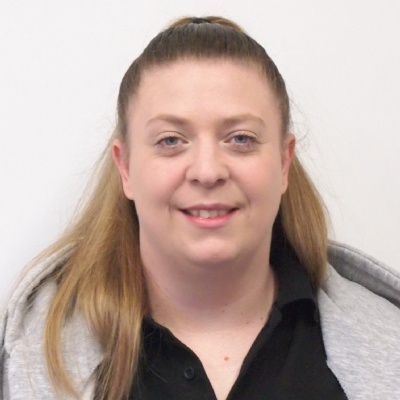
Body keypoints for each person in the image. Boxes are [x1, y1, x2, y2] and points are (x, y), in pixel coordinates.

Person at [1, 16, 400, 400]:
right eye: (171, 140)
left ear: (283, 163)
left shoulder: (387, 343)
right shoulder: (29, 358)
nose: (207, 172)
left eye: (240, 139)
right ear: (125, 168)